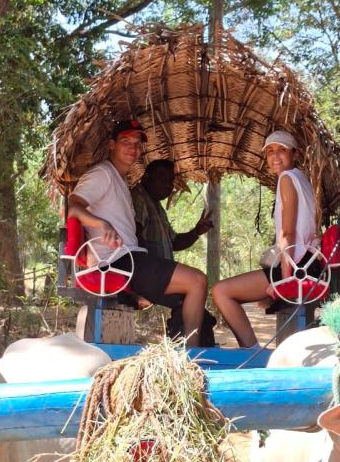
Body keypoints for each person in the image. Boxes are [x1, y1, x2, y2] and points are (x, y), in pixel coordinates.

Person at [67, 120, 208, 347]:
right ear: (112, 144)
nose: (132, 148)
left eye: (137, 143)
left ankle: (185, 347)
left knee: (190, 297)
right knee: (197, 281)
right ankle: (190, 356)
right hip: (118, 261)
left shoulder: (120, 179)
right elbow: (73, 206)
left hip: (131, 258)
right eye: (125, 142)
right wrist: (100, 224)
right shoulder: (102, 174)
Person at [211, 130, 319, 348]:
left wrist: (283, 282)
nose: (275, 156)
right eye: (270, 151)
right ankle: (251, 349)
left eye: (282, 150)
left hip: (298, 268)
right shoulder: (301, 179)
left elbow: (287, 233)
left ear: (294, 154)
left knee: (221, 291)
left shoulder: (287, 179)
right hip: (308, 262)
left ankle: (252, 352)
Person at [131, 159, 217, 345]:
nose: (167, 185)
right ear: (146, 177)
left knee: (194, 305)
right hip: (145, 271)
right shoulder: (138, 198)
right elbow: (133, 236)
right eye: (162, 178)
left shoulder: (157, 207)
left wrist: (196, 231)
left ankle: (182, 343)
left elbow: (174, 242)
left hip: (157, 272)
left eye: (170, 180)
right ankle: (190, 352)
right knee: (196, 283)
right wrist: (145, 275)